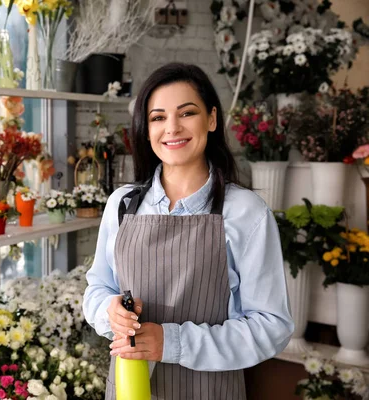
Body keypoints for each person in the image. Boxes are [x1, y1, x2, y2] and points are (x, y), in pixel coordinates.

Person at [83, 63, 294, 399]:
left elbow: (271, 326)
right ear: (145, 127)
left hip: (210, 390)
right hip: (128, 388)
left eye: (187, 113)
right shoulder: (122, 205)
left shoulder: (245, 212)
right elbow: (97, 288)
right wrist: (109, 310)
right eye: (158, 117)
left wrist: (172, 342)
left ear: (211, 119)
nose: (172, 128)